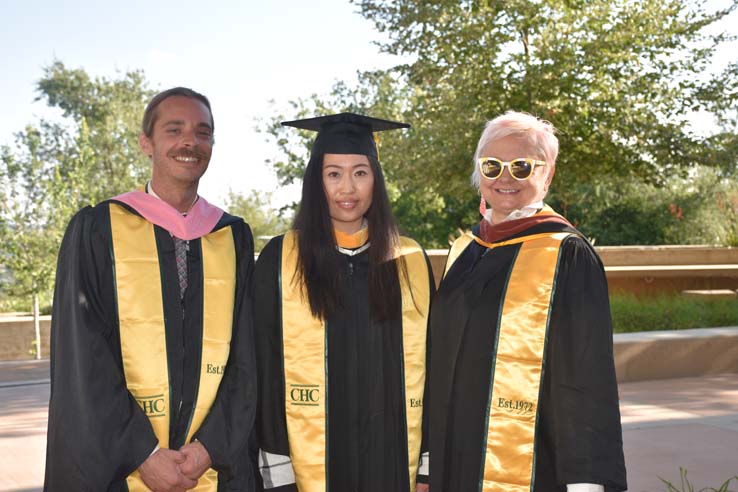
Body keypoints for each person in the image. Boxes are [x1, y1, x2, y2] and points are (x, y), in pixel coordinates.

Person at [44, 87, 257, 491]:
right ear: (147, 143)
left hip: (208, 465)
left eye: (202, 132)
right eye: (174, 130)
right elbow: (83, 355)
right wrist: (142, 453)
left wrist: (209, 447)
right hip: (122, 466)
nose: (189, 142)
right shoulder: (98, 229)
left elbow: (247, 356)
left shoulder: (232, 237)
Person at [428, 111, 627, 492]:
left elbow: (586, 378)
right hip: (455, 457)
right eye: (492, 165)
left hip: (534, 462)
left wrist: (585, 483)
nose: (505, 177)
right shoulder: (465, 250)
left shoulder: (566, 254)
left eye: (521, 166)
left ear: (547, 174)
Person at [254, 113, 433, 492]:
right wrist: (277, 471)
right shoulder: (282, 259)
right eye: (333, 173)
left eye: (360, 173)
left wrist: (427, 466)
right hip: (308, 465)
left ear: (376, 181)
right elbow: (264, 367)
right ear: (316, 181)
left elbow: (432, 366)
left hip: (392, 460)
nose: (347, 188)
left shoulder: (408, 260)